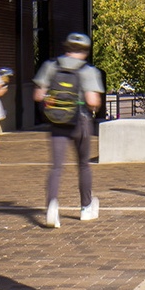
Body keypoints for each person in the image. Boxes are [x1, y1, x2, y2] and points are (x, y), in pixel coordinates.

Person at [33, 32, 103, 229]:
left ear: (66, 47)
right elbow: (92, 101)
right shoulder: (88, 70)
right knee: (83, 165)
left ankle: (51, 207)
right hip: (80, 121)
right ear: (85, 51)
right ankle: (86, 207)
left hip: (57, 122)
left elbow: (38, 95)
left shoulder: (50, 66)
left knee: (56, 166)